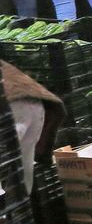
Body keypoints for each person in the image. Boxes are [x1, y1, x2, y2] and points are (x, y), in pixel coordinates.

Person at [1, 60, 64, 193]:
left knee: (20, 168)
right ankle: (22, 200)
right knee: (23, 168)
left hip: (13, 104)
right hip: (33, 101)